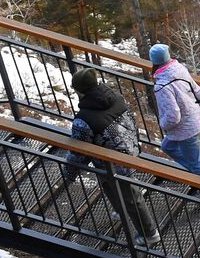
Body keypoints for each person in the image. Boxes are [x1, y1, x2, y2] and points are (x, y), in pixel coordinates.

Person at [63, 68, 162, 248]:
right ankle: (121, 211)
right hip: (127, 149)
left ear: (80, 91)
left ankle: (150, 234)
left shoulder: (83, 119)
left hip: (114, 160)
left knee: (130, 195)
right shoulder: (115, 97)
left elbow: (78, 151)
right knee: (110, 184)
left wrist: (69, 172)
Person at [149, 43, 200, 206]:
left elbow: (173, 116)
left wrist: (164, 125)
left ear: (153, 61)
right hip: (195, 118)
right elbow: (198, 92)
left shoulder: (161, 85)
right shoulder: (179, 69)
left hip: (184, 129)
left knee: (195, 164)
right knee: (168, 147)